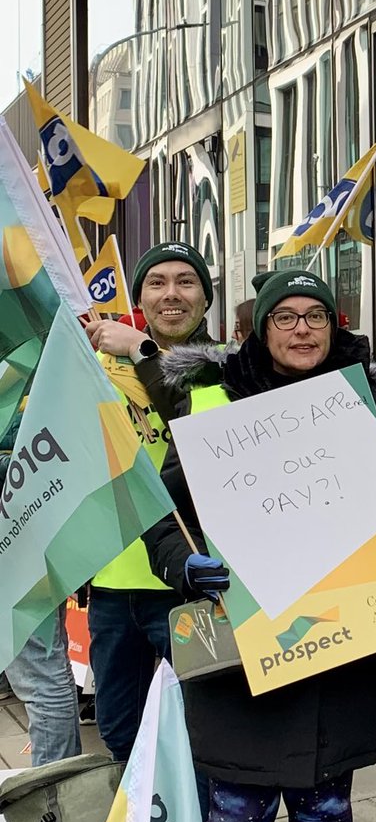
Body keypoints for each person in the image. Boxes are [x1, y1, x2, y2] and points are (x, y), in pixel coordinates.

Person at [144, 269, 376, 822]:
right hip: (246, 654)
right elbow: (160, 516)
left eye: (314, 316)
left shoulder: (363, 403)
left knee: (325, 815)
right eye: (285, 317)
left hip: (338, 648)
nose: (301, 329)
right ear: (261, 329)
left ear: (334, 325)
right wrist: (185, 566)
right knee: (235, 820)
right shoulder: (214, 402)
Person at [81, 240, 215, 763]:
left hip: (188, 581)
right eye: (157, 284)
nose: (172, 294)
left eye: (186, 282)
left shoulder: (222, 367)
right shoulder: (97, 368)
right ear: (140, 297)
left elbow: (196, 418)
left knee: (198, 738)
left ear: (205, 297)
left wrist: (142, 351)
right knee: (119, 735)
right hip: (114, 585)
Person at [1, 415, 81, 765]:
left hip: (18, 541)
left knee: (41, 680)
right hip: (20, 535)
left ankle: (56, 798)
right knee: (42, 679)